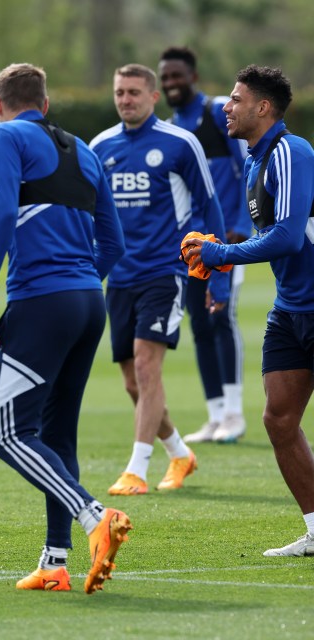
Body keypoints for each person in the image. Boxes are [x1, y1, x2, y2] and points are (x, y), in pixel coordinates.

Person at [0, 63, 131, 594]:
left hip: (43, 301)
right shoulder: (86, 151)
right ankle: (55, 563)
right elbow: (116, 246)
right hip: (89, 303)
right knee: (57, 435)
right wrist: (81, 285)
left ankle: (94, 516)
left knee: (10, 436)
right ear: (47, 104)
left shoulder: (3, 134)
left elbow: (1, 212)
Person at [182, 65, 314, 557]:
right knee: (279, 421)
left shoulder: (289, 152)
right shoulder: (256, 162)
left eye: (236, 99)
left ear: (263, 108)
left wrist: (222, 255)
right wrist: (217, 258)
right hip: (291, 308)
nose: (225, 107)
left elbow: (285, 235)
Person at [89, 64, 228, 496]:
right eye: (119, 92)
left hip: (165, 274)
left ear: (152, 97)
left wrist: (218, 279)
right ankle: (180, 453)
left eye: (134, 92)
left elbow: (211, 206)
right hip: (120, 279)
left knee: (148, 367)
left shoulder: (180, 143)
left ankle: (137, 469)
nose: (125, 99)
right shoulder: (101, 146)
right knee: (134, 382)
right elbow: (95, 217)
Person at [158, 46, 251, 444]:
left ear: (192, 77)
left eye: (176, 76)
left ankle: (235, 413)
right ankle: (214, 416)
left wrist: (245, 223)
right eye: (164, 78)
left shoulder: (217, 113)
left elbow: (249, 163)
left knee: (221, 316)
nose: (170, 83)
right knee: (199, 320)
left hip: (227, 240)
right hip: (190, 246)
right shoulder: (170, 127)